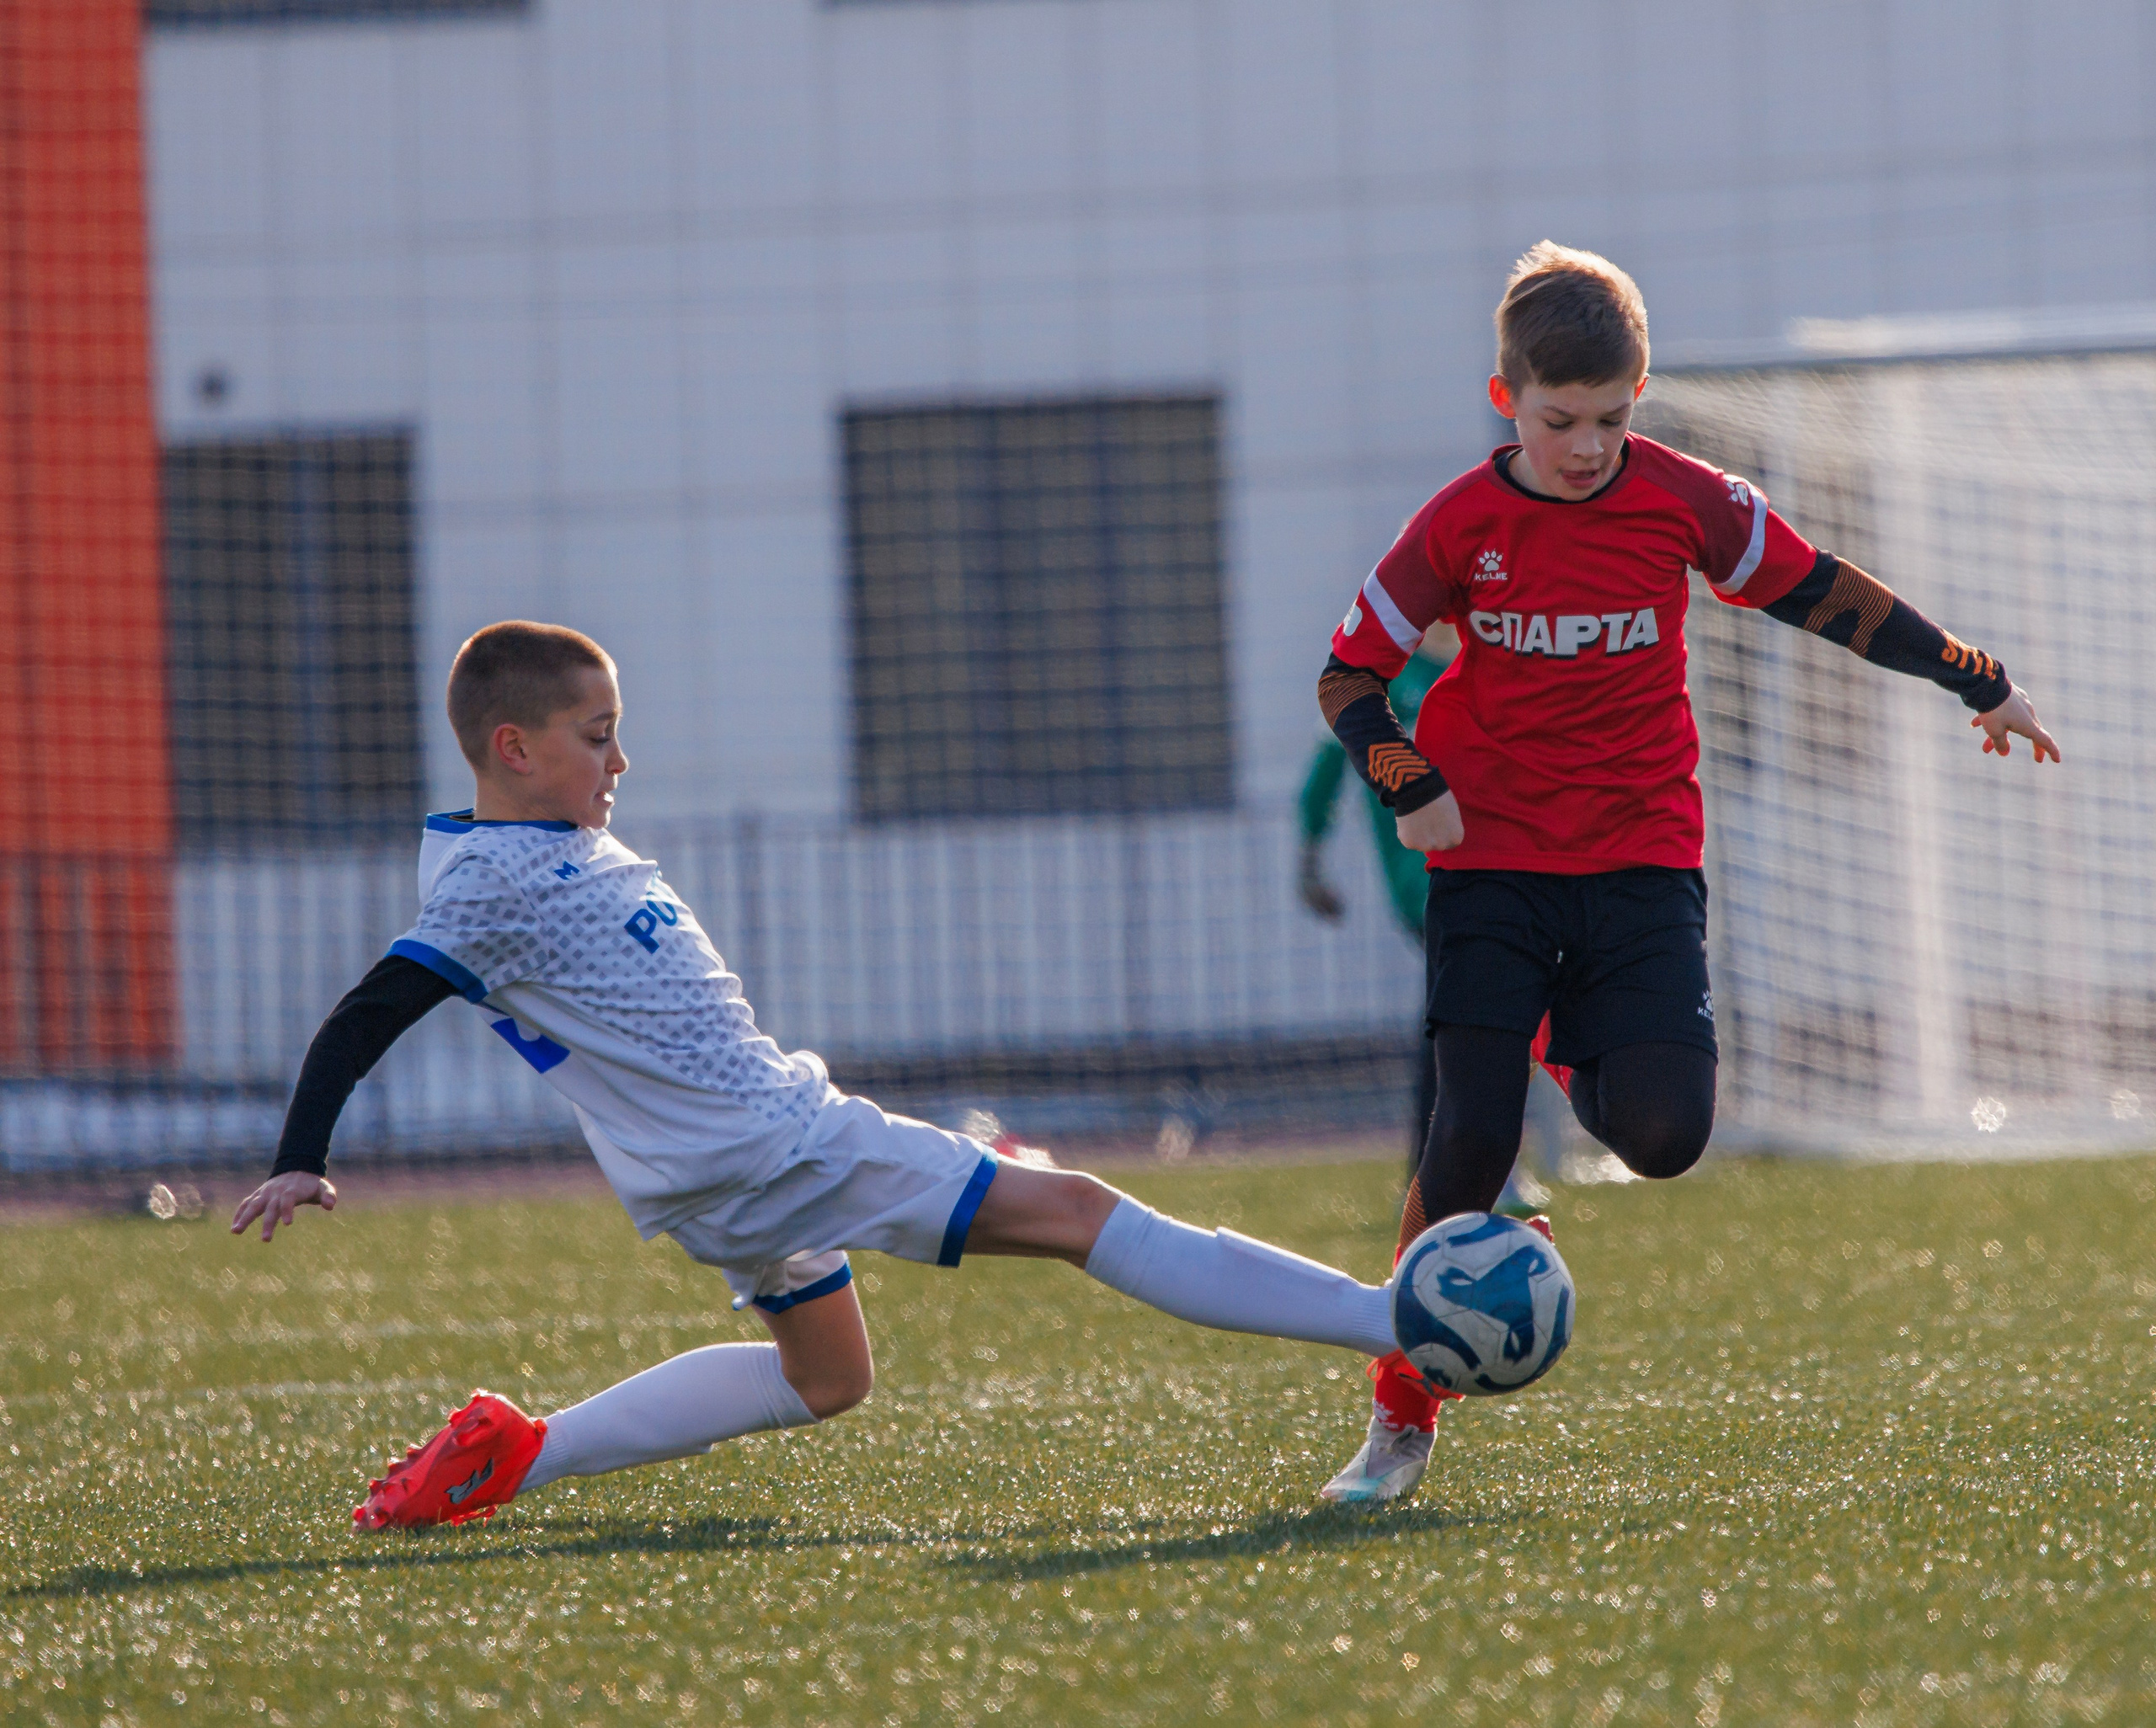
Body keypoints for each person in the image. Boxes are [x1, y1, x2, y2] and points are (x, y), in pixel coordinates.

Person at [231, 621, 1406, 1528]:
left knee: (829, 1379)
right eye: (598, 736)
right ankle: (1392, 1323)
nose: (621, 758)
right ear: (514, 748)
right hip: (778, 1144)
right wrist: (301, 1156)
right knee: (1078, 1213)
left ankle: (519, 1452)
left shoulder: (553, 848)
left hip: (721, 1170)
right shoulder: (491, 880)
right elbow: (365, 1013)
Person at [1313, 241, 2060, 1505]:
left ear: (1640, 397)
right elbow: (1349, 676)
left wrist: (1977, 679)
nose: (1590, 444)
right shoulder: (1456, 526)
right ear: (1508, 400)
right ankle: (1400, 1417)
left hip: (1646, 856)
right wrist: (1408, 781)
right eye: (1561, 421)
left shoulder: (1688, 501)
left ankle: (1556, 1038)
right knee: (1466, 1145)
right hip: (1491, 860)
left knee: (1664, 1136)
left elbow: (1824, 592)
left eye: (1613, 417)